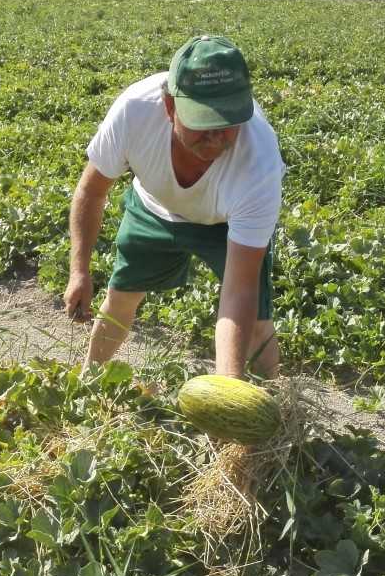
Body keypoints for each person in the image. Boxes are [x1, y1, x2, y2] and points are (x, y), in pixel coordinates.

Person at [63, 35, 285, 379]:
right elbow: (91, 192)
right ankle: (88, 382)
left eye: (227, 123)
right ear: (169, 106)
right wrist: (79, 270)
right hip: (155, 206)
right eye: (202, 121)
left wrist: (227, 392)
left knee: (255, 324)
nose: (216, 136)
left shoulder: (260, 161)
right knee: (120, 298)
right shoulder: (134, 111)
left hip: (224, 221)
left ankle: (268, 410)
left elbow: (238, 290)